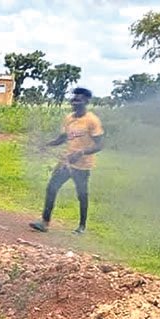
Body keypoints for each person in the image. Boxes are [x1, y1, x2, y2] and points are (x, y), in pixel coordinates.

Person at [29, 87, 104, 234]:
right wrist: (46, 144)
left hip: (82, 165)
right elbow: (62, 138)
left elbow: (100, 145)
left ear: (86, 101)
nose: (75, 102)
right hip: (66, 162)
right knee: (51, 188)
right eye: (74, 99)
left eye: (79, 99)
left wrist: (82, 152)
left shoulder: (92, 121)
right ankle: (45, 222)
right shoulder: (69, 118)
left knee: (82, 195)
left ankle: (82, 227)